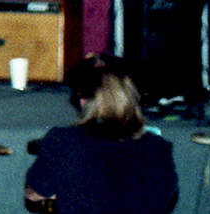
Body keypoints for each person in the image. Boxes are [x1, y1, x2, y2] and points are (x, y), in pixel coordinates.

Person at [23, 53, 179, 214]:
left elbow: (35, 194)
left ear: (82, 98)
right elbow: (167, 197)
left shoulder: (63, 141)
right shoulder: (158, 147)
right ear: (132, 96)